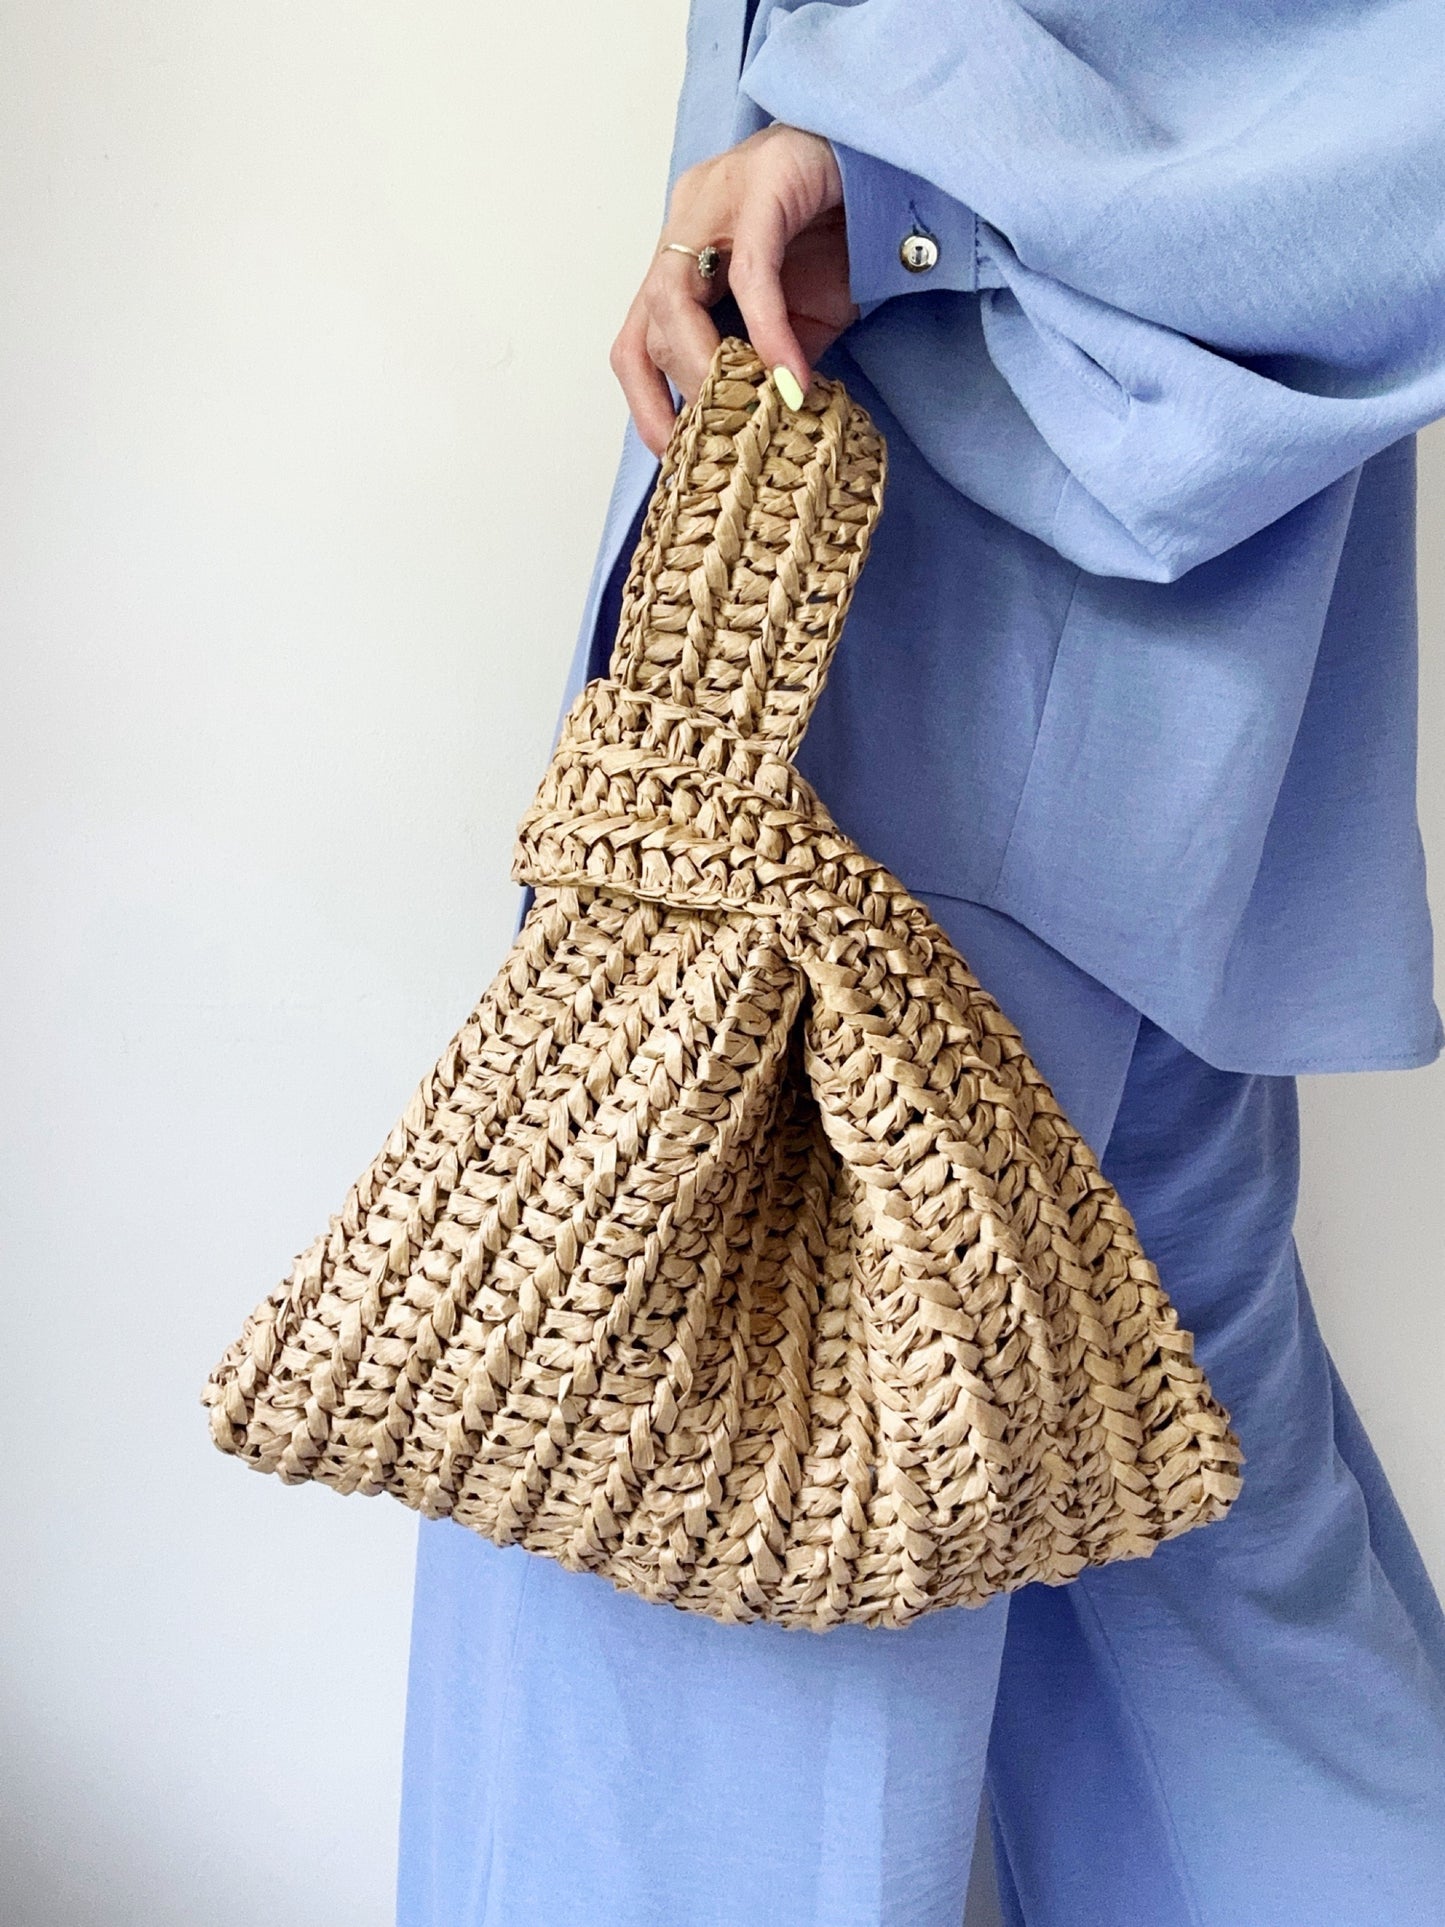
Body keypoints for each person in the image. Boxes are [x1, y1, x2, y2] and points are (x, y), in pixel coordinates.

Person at [395, 4, 1445, 1922]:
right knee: (1220, 1672)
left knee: (680, 1713)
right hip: (1100, 729)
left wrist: (906, 189)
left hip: (912, 701)